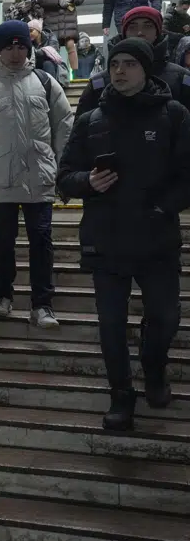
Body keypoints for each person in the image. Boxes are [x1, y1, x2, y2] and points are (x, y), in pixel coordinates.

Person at [57, 38, 190, 432]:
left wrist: (164, 206)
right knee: (111, 325)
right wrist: (88, 181)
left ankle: (154, 369)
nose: (119, 70)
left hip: (156, 238)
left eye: (130, 63)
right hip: (106, 237)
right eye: (115, 63)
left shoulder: (174, 115)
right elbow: (65, 176)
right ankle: (121, 395)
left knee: (165, 317)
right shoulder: (91, 120)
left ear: (146, 69)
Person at [0, 20, 74, 329]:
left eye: (21, 45)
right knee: (3, 240)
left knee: (41, 240)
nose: (15, 52)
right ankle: (3, 296)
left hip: (40, 178)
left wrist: (64, 172)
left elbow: (65, 129)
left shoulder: (46, 83)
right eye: (9, 46)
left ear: (29, 47)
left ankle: (42, 304)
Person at [75, 6, 190, 117]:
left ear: (157, 32)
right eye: (132, 27)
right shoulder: (99, 83)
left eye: (148, 26)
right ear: (124, 33)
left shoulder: (181, 78)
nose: (140, 32)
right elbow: (81, 129)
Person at [37, 0, 85, 71]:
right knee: (53, 49)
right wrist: (58, 1)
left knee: (70, 45)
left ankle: (75, 74)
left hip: (68, 19)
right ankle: (56, 73)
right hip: (52, 20)